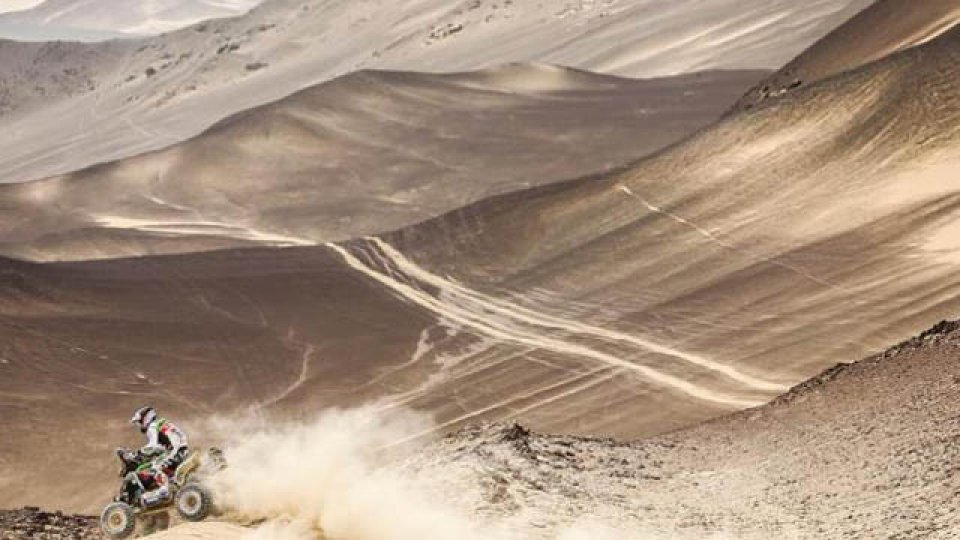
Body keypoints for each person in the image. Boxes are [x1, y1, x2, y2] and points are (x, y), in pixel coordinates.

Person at [130, 406, 189, 504]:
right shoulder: (163, 423)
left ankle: (164, 491)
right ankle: (173, 483)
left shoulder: (152, 426)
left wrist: (139, 453)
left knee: (154, 466)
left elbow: (154, 446)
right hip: (183, 449)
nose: (140, 425)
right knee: (162, 464)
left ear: (145, 419)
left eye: (140, 422)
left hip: (174, 451)